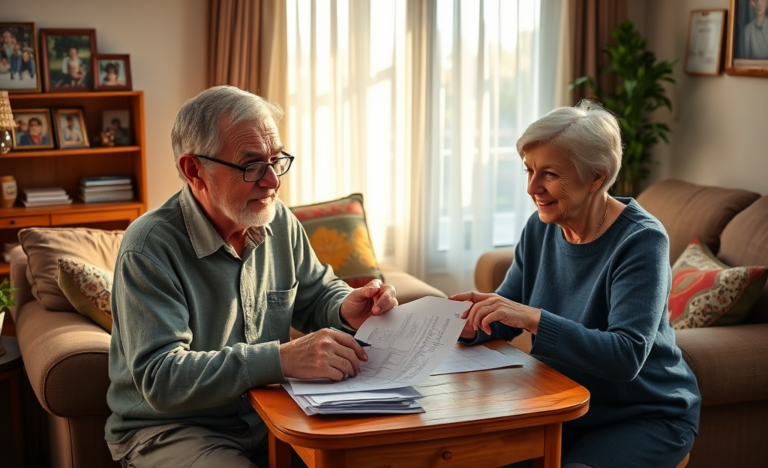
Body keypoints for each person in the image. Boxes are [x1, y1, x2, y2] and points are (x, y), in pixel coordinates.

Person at [105, 85, 399, 467]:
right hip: (172, 428)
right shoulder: (148, 247)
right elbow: (163, 378)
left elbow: (316, 293)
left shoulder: (278, 219)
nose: (273, 181)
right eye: (251, 165)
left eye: (276, 160)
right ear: (194, 170)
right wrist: (280, 359)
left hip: (272, 415)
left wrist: (346, 307)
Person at [451, 100, 700, 468]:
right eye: (529, 171)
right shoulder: (542, 226)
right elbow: (505, 313)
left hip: (641, 413)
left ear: (595, 178)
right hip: (559, 402)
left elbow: (626, 355)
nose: (532, 187)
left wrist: (533, 318)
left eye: (549, 174)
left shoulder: (642, 241)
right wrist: (455, 323)